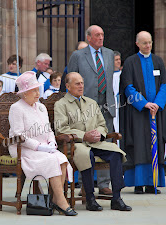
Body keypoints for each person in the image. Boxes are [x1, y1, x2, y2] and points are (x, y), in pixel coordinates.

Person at [54, 72, 131, 211]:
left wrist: (99, 134)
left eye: (82, 83)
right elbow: (61, 129)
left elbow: (102, 125)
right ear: (68, 86)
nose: (81, 86)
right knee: (87, 155)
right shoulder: (61, 104)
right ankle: (89, 198)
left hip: (95, 142)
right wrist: (84, 136)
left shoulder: (91, 103)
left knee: (116, 154)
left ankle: (117, 198)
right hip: (74, 144)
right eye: (77, 83)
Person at [9, 71, 77, 216]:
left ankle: (55, 198)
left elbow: (48, 129)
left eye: (37, 89)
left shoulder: (41, 107)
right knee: (52, 160)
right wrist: (39, 146)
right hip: (24, 149)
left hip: (44, 148)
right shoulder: (16, 108)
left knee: (62, 160)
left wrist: (51, 142)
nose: (37, 93)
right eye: (33, 90)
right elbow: (18, 135)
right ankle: (62, 202)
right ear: (24, 93)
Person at [119, 31, 166, 194]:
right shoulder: (131, 62)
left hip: (155, 113)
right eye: (144, 43)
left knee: (155, 144)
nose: (148, 46)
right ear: (137, 44)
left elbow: (163, 86)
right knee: (139, 146)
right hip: (138, 113)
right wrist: (144, 104)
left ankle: (153, 182)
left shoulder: (158, 61)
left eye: (150, 42)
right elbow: (127, 87)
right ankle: (138, 183)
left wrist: (157, 104)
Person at [68, 25, 115, 196]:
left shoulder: (110, 54)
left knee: (106, 143)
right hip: (84, 107)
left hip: (106, 105)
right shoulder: (78, 56)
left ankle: (104, 184)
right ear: (89, 37)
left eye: (102, 34)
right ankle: (84, 185)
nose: (101, 38)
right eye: (97, 35)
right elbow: (71, 79)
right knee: (84, 144)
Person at [112, 51, 122, 134]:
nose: (119, 61)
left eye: (119, 59)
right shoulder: (108, 76)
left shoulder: (123, 74)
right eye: (116, 60)